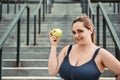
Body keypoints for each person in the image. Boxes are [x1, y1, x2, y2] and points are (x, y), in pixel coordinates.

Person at [48, 16, 120, 80]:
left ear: (90, 30)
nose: (76, 35)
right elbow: (52, 71)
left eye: (80, 31)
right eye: (74, 32)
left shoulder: (100, 53)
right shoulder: (67, 49)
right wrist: (54, 46)